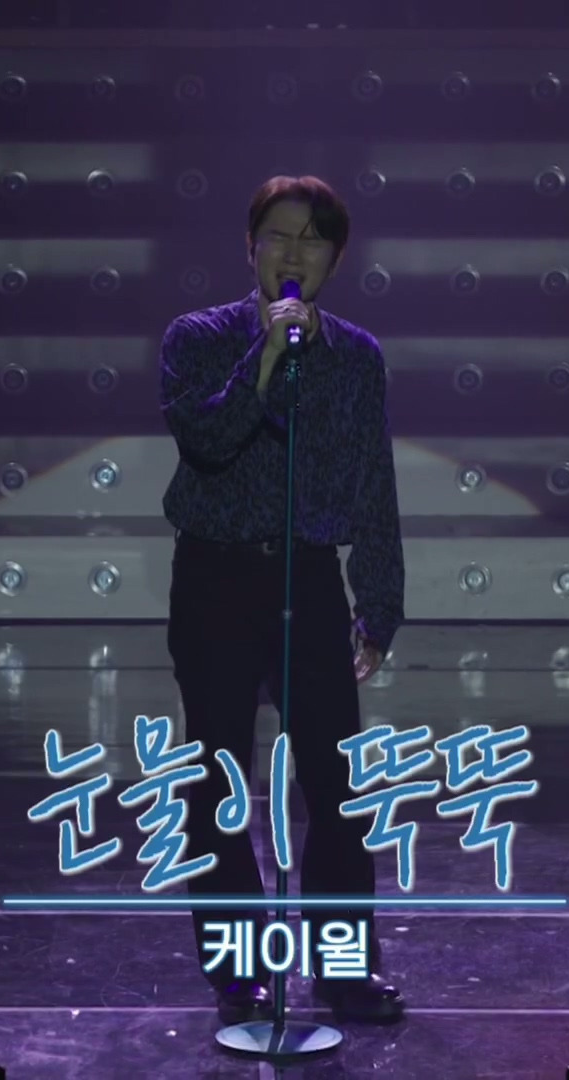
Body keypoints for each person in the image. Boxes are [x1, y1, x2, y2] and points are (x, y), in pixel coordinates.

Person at [158, 175, 407, 1024]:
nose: (294, 252)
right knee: (220, 782)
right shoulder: (197, 338)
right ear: (250, 245)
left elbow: (374, 484)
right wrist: (266, 356)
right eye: (279, 235)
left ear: (335, 259)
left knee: (337, 787)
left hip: (308, 578)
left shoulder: (357, 358)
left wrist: (379, 603)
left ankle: (343, 968)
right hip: (217, 579)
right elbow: (208, 440)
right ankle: (239, 972)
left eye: (312, 239)